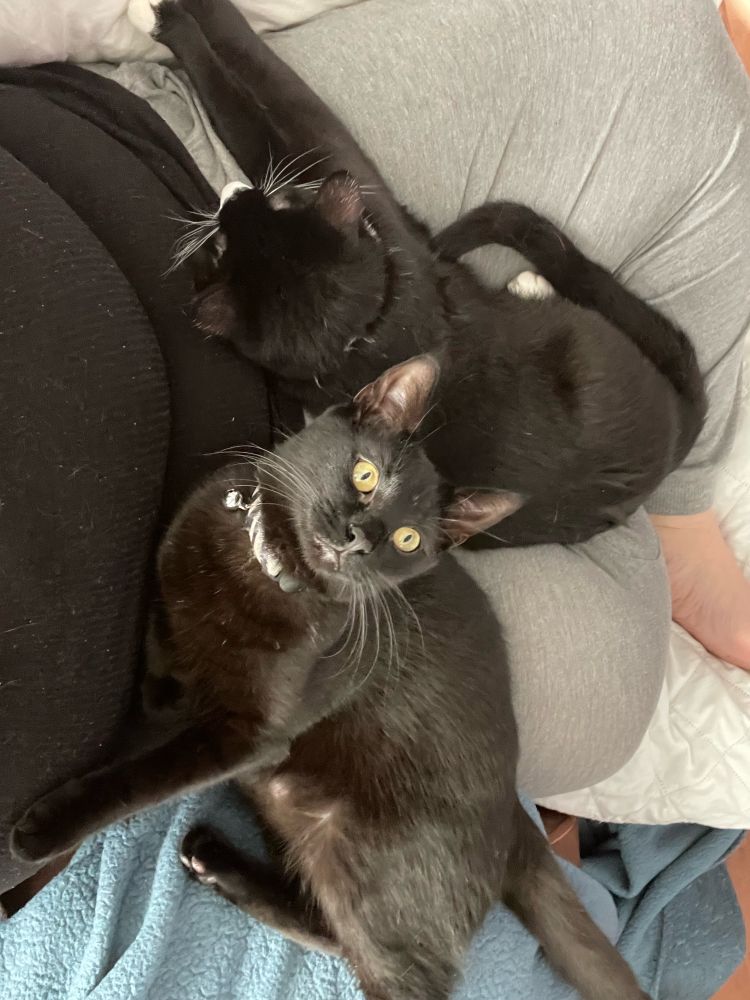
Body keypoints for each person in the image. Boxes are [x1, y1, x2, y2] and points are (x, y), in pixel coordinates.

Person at [1, 0, 748, 903]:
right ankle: (669, 506)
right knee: (614, 692)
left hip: (179, 208)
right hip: (313, 535)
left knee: (657, 60)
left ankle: (675, 507)